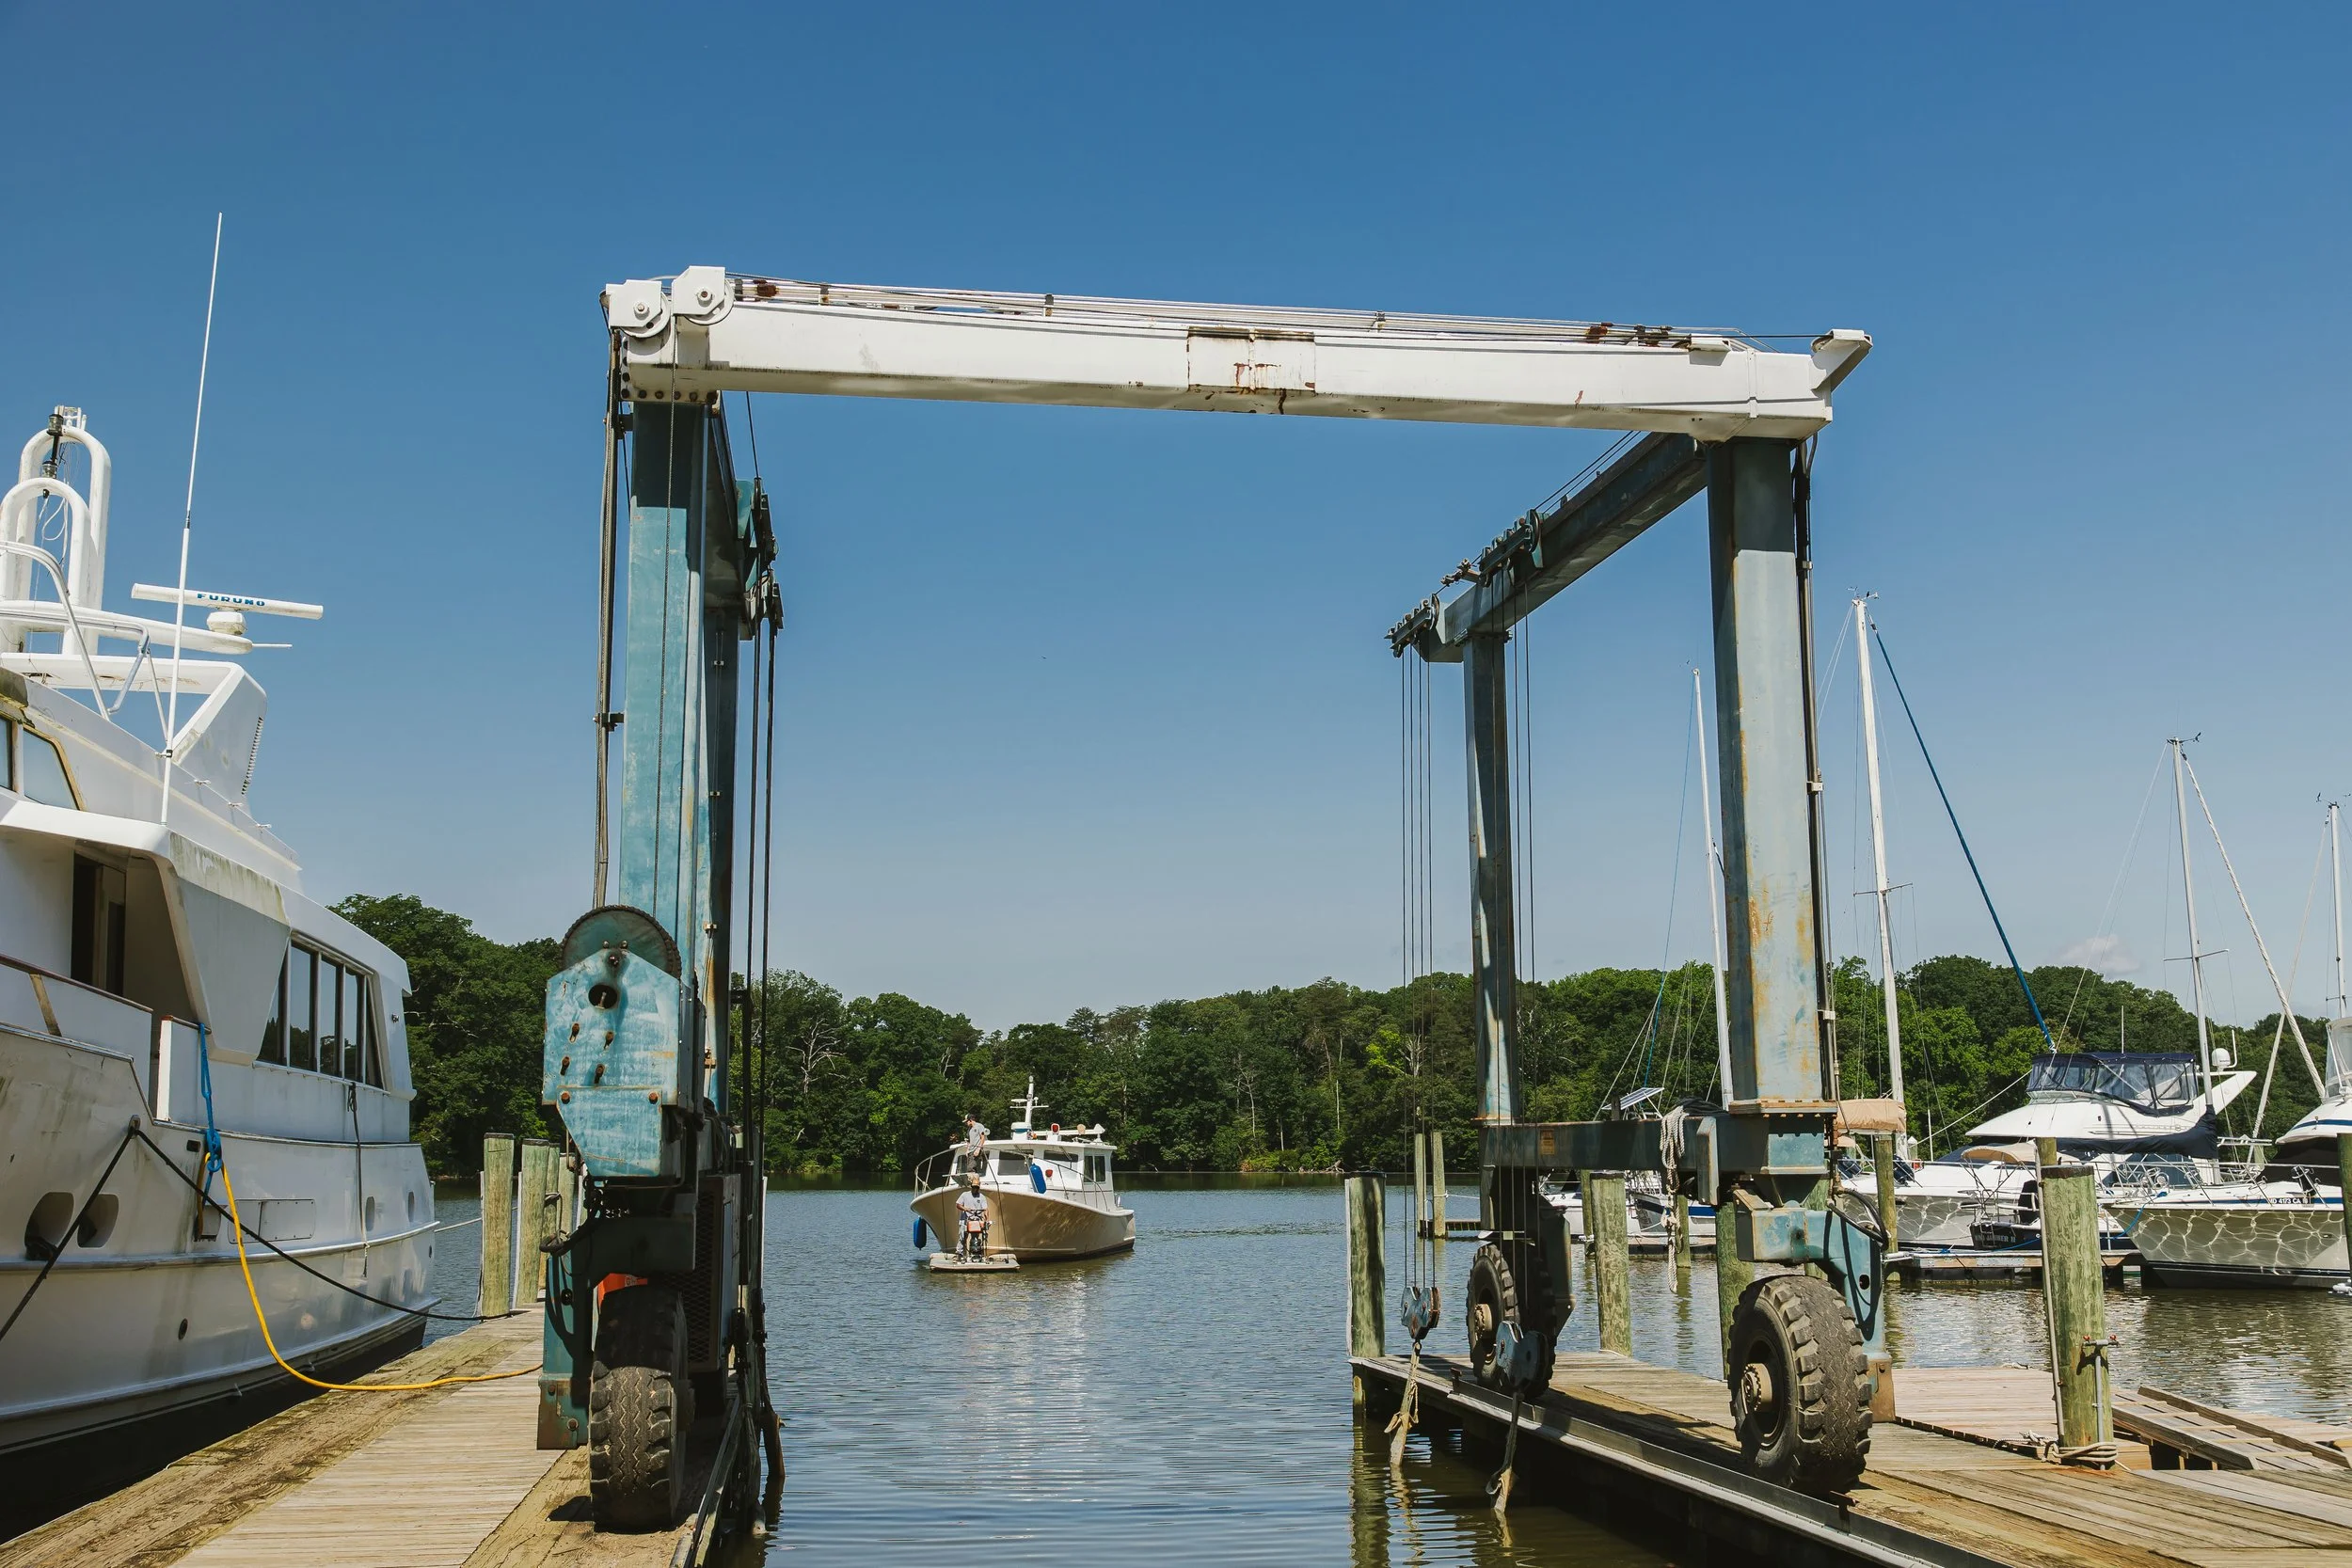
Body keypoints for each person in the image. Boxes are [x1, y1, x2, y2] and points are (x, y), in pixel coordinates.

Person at [955, 1175, 990, 1261]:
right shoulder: (965, 1195)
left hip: (976, 1221)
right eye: (974, 1187)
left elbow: (985, 1209)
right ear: (971, 1187)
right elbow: (958, 1205)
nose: (975, 1189)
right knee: (962, 1237)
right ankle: (959, 1254)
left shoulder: (982, 1197)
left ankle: (975, 1254)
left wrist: (986, 1218)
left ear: (979, 1188)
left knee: (975, 1238)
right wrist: (965, 1208)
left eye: (977, 1187)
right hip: (965, 1220)